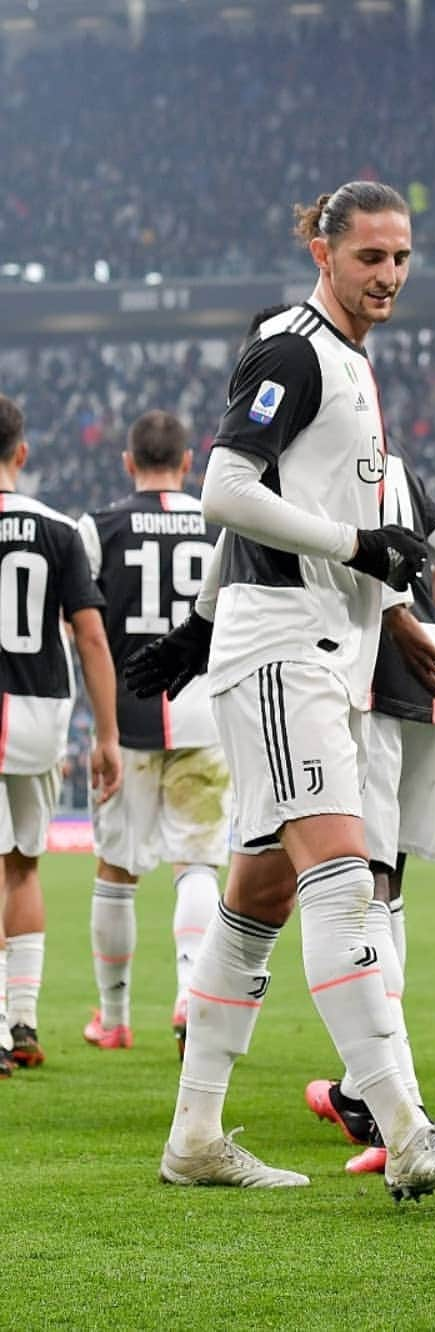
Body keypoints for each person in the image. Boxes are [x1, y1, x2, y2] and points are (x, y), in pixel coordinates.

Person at [126, 180, 435, 1196]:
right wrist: (351, 544)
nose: (388, 275)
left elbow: (277, 512)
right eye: (370, 256)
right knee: (344, 874)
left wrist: (211, 624)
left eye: (401, 258)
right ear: (323, 253)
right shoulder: (292, 350)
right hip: (284, 650)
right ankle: (407, 1129)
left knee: (258, 894)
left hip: (317, 650)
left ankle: (196, 1136)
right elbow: (224, 490)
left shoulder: (349, 365)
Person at [305, 449, 435, 1176]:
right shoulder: (401, 469)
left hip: (362, 676)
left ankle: (389, 1101)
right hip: (431, 674)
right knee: (385, 887)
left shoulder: (315, 459)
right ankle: (361, 1084)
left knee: (359, 888)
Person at [76, 410, 229, 1056]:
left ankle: (114, 1018)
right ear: (189, 463)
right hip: (205, 712)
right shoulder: (220, 522)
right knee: (196, 861)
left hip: (129, 715)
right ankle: (192, 993)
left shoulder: (99, 527)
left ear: (127, 461)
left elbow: (77, 626)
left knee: (117, 870)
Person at [0, 394, 122, 1075]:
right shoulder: (57, 529)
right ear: (22, 454)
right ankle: (22, 1018)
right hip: (41, 713)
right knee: (22, 863)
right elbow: (92, 638)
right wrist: (105, 735)